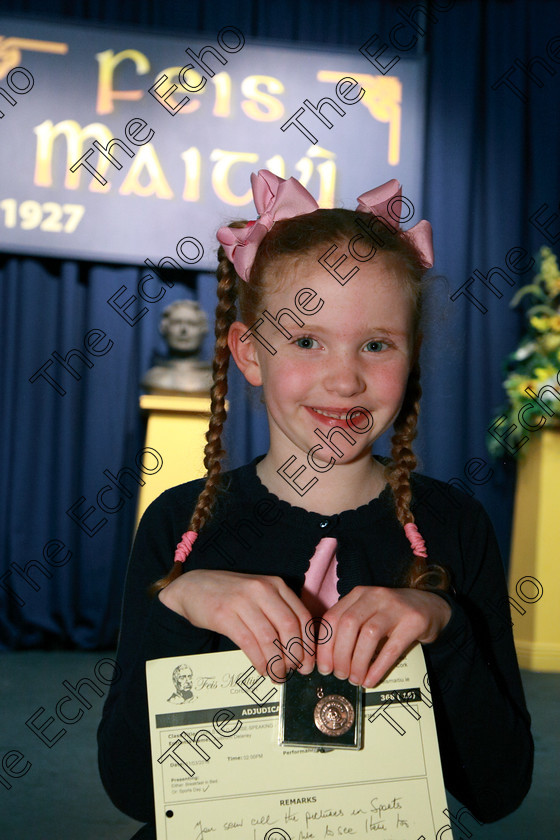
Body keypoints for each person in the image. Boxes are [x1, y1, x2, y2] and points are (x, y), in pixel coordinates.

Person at [97, 171, 533, 839]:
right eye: (307, 340)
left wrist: (444, 627)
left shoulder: (455, 525)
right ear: (249, 352)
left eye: (377, 344)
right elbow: (132, 788)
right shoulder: (179, 526)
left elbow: (499, 788)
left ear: (410, 358)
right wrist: (179, 608)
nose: (345, 377)